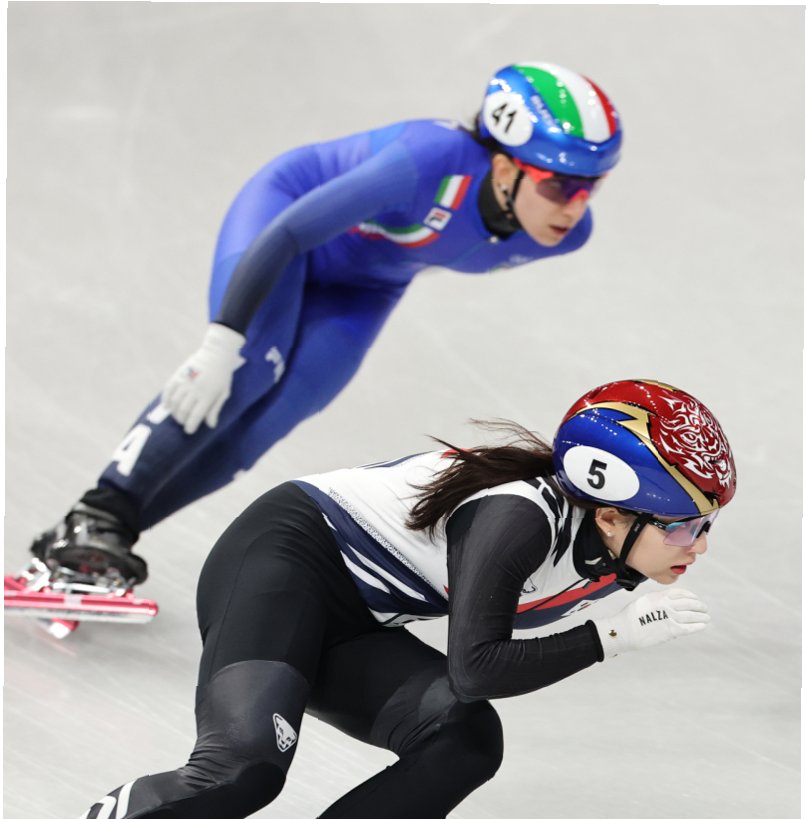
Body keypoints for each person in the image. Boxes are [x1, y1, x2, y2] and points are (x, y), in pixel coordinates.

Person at [3, 379, 737, 819]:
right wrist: (609, 640)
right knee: (240, 771)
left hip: (355, 616)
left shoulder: (614, 555)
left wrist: (610, 626)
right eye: (684, 527)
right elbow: (476, 666)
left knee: (465, 741)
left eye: (706, 525)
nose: (698, 546)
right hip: (282, 564)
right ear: (608, 514)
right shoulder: (518, 519)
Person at [22, 61, 622, 592]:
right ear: (503, 169)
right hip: (286, 227)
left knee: (262, 427)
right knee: (245, 375)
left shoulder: (561, 236)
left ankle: (107, 535)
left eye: (590, 187)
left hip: (365, 286)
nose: (576, 206)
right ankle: (95, 513)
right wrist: (223, 340)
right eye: (560, 185)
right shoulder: (429, 158)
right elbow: (288, 232)